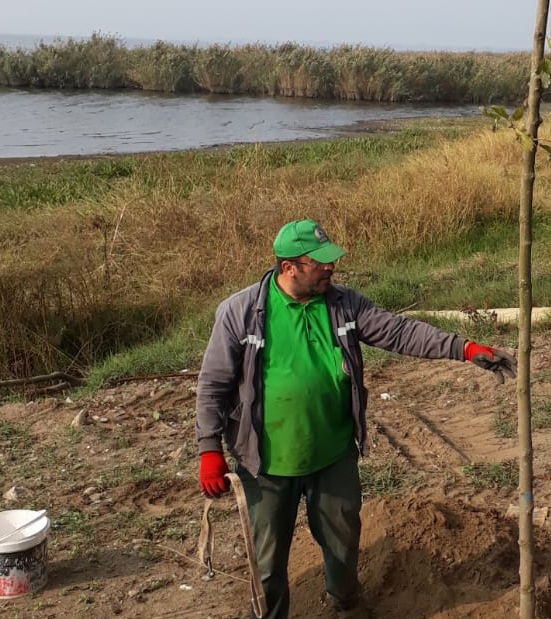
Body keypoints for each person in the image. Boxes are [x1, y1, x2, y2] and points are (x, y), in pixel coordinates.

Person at [195, 219, 517, 619]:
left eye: (331, 261)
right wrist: (209, 448)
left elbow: (400, 332)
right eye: (320, 263)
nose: (331, 268)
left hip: (333, 454)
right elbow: (213, 385)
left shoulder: (344, 304)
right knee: (267, 558)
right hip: (265, 463)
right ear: (289, 267)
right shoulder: (240, 313)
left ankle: (345, 604)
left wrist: (464, 348)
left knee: (342, 541)